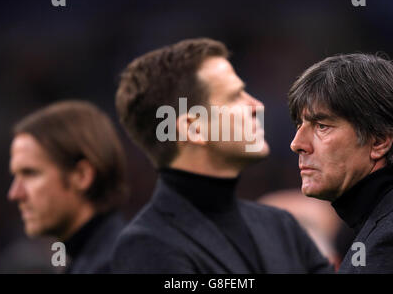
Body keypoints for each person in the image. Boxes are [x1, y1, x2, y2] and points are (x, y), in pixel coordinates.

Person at [112, 38, 332, 273]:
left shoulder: (281, 226)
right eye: (235, 96)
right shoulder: (148, 246)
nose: (256, 105)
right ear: (194, 128)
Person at [288, 53, 393, 273]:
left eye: (321, 126)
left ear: (379, 141)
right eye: (299, 125)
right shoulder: (376, 227)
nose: (297, 144)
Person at [8, 100, 127, 273]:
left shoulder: (115, 265)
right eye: (15, 176)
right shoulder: (89, 260)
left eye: (30, 173)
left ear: (81, 176)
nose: (15, 193)